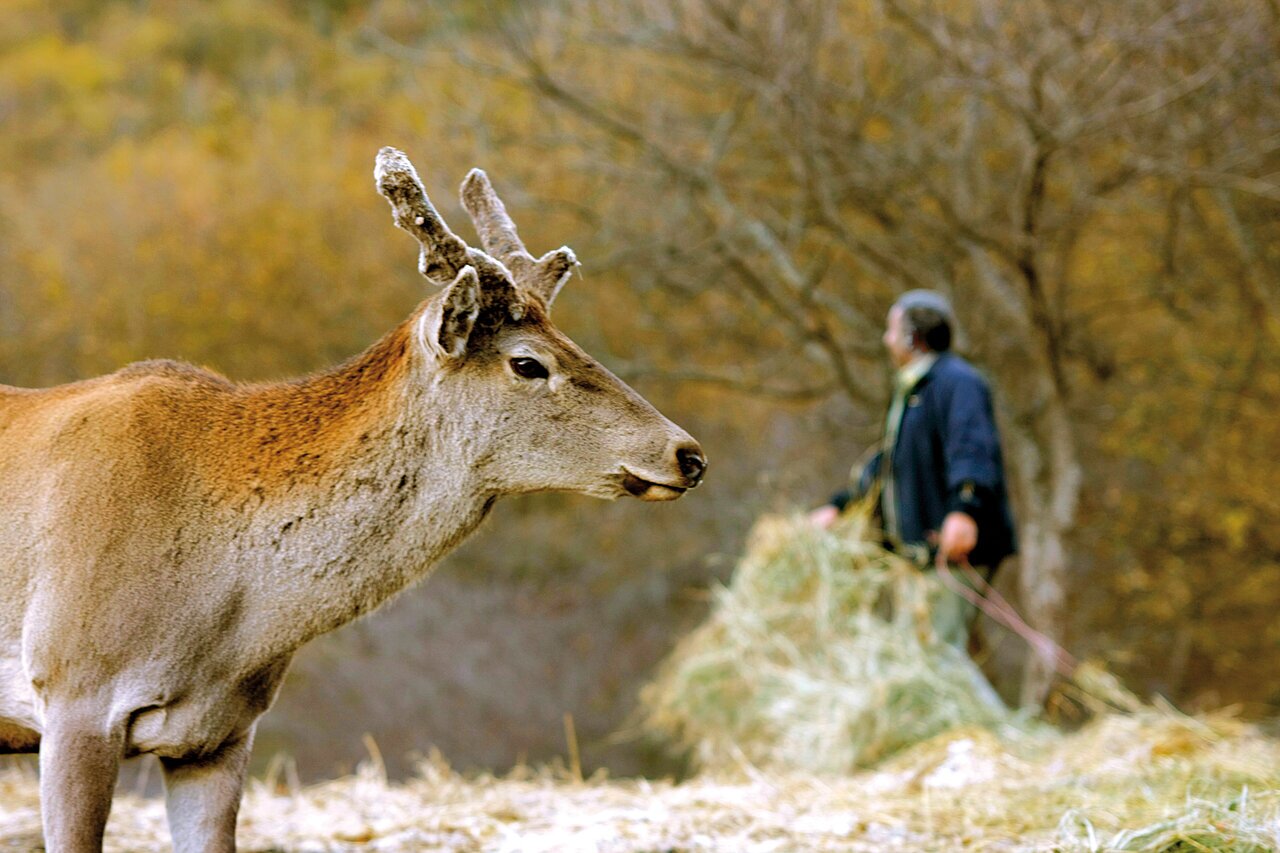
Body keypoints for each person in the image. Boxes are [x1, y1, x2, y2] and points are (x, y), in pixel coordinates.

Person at [810, 290, 1016, 649]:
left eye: (892, 330)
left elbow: (973, 449)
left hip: (951, 550)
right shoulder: (914, 389)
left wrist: (965, 511)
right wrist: (841, 506)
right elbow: (890, 467)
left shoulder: (958, 382)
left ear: (912, 337)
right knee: (920, 652)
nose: (886, 340)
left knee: (938, 654)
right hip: (923, 554)